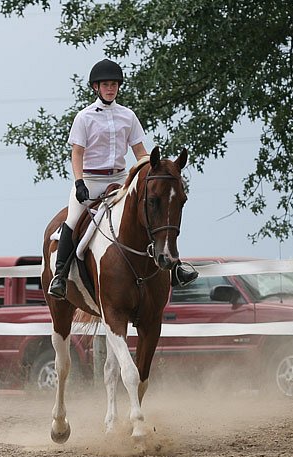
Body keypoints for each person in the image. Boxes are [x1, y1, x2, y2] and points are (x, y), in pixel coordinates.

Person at [48, 59, 198, 299]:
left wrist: (154, 169)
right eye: (106, 85)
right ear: (96, 87)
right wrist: (79, 183)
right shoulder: (84, 117)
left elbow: (139, 151)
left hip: (119, 179)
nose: (110, 89)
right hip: (90, 179)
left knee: (154, 213)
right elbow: (77, 152)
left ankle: (175, 266)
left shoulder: (127, 116)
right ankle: (60, 276)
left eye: (114, 85)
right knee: (73, 220)